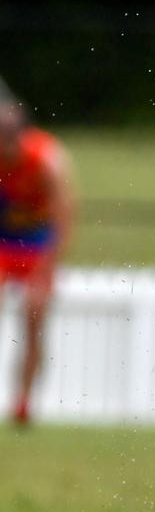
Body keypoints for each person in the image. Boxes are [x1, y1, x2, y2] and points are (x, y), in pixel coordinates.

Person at [0, 89, 75, 424]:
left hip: (38, 247)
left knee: (34, 317)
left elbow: (64, 217)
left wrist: (47, 267)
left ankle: (24, 403)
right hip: (3, 245)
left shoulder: (47, 159)